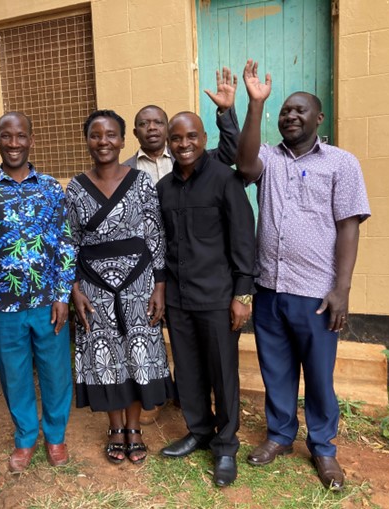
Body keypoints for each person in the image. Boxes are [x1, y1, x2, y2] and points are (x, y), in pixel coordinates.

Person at [236, 60, 371, 491]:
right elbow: (243, 165)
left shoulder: (341, 163)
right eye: (284, 111)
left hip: (316, 293)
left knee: (318, 374)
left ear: (319, 118)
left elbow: (348, 224)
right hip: (270, 289)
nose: (290, 116)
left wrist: (342, 290)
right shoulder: (269, 160)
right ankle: (278, 435)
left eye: (299, 110)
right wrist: (255, 105)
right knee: (275, 370)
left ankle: (324, 449)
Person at [123, 67, 241, 425]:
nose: (154, 128)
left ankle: (219, 432)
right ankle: (177, 408)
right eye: (146, 123)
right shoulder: (135, 175)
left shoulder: (205, 168)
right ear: (137, 132)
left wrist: (226, 112)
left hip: (207, 281)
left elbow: (233, 153)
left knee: (210, 359)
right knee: (173, 351)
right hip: (160, 277)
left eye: (160, 121)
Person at [0, 112, 75, 473]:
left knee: (56, 371)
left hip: (47, 302)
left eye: (20, 136)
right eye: (6, 137)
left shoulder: (52, 188)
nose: (13, 143)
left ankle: (55, 436)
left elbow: (67, 244)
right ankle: (25, 437)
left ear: (31, 140)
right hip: (3, 305)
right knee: (14, 373)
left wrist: (62, 295)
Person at [66, 109, 173, 465]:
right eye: (95, 135)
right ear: (88, 141)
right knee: (106, 356)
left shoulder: (141, 181)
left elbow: (155, 234)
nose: (103, 142)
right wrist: (75, 289)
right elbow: (71, 242)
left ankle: (134, 428)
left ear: (123, 140)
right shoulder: (76, 188)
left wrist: (159, 285)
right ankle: (114, 429)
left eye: (111, 135)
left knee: (137, 353)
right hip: (93, 286)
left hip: (138, 283)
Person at [156, 112, 256, 487]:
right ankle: (199, 431)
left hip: (218, 297)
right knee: (188, 369)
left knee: (222, 373)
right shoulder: (164, 188)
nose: (184, 144)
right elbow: (161, 243)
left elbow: (244, 239)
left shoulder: (225, 180)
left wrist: (242, 295)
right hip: (180, 298)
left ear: (203, 138)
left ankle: (226, 445)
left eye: (191, 137)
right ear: (169, 142)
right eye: (176, 138)